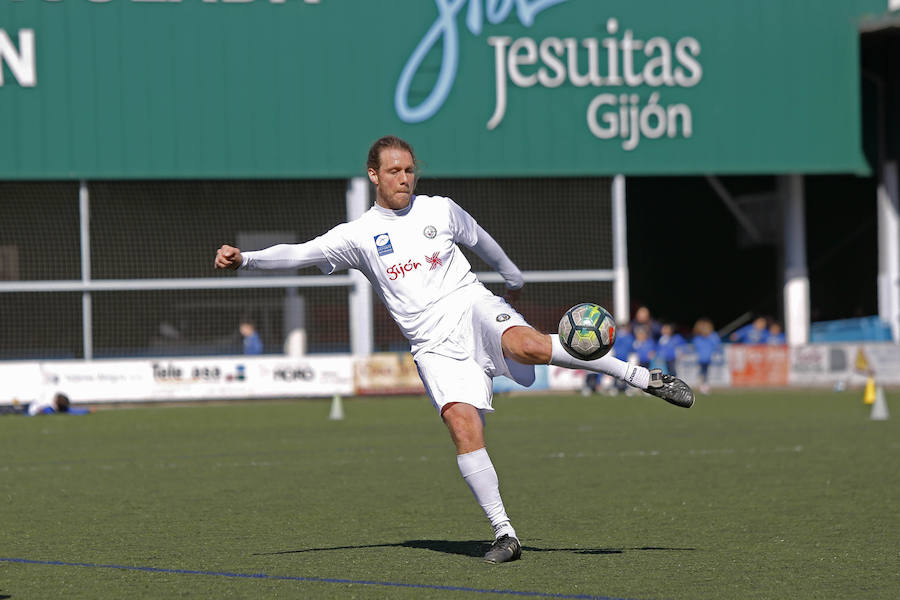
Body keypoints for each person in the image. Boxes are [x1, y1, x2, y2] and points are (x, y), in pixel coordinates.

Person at [214, 135, 694, 564]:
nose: (404, 178)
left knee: (527, 344)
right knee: (463, 427)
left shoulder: (439, 209)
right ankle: (505, 533)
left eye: (409, 170)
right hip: (432, 345)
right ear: (373, 175)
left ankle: (642, 378)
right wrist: (247, 260)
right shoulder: (358, 235)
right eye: (394, 171)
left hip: (472, 306)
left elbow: (481, 240)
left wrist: (513, 276)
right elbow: (301, 253)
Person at [691, 318, 721, 395]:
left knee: (706, 373)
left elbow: (717, 345)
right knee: (702, 373)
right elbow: (695, 346)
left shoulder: (713, 337)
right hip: (701, 359)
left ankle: (706, 385)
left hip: (709, 359)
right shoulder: (698, 338)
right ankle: (703, 386)